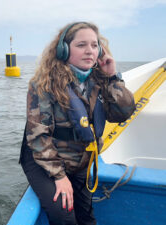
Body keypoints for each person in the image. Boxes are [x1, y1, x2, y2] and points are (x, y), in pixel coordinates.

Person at [19, 22, 136, 225]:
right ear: (64, 50)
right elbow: (38, 137)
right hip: (44, 160)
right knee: (65, 218)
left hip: (80, 160)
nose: (89, 51)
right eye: (81, 45)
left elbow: (123, 113)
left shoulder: (100, 80)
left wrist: (112, 76)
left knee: (87, 219)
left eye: (94, 45)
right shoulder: (43, 83)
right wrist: (59, 176)